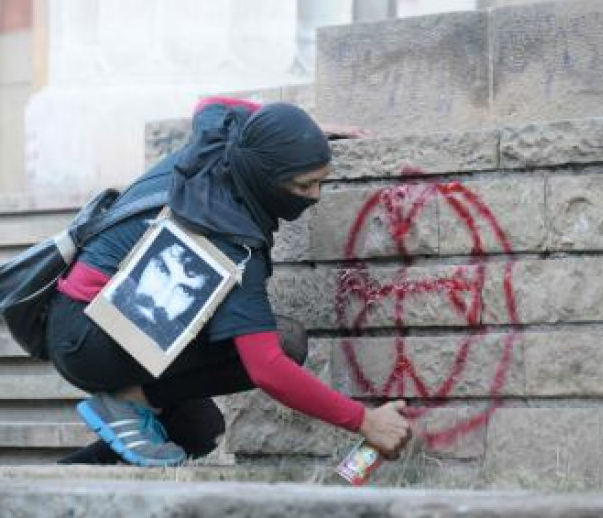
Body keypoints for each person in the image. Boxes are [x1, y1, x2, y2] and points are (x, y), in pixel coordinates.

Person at [48, 97, 411, 467]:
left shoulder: (221, 138)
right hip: (90, 337)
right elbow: (267, 366)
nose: (314, 196)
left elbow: (211, 103)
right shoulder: (230, 237)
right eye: (304, 186)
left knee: (195, 431)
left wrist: (300, 133)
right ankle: (126, 399)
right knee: (285, 343)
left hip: (81, 318)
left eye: (321, 183)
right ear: (267, 178)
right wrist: (365, 421)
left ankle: (61, 482)